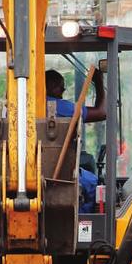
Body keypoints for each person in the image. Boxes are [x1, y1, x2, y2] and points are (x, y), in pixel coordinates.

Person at [45, 68, 105, 212]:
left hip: (28, 174)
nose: (63, 91)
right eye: (61, 87)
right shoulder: (60, 107)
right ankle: (83, 227)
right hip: (60, 173)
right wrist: (99, 82)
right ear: (51, 86)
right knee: (94, 186)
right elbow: (102, 112)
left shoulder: (19, 108)